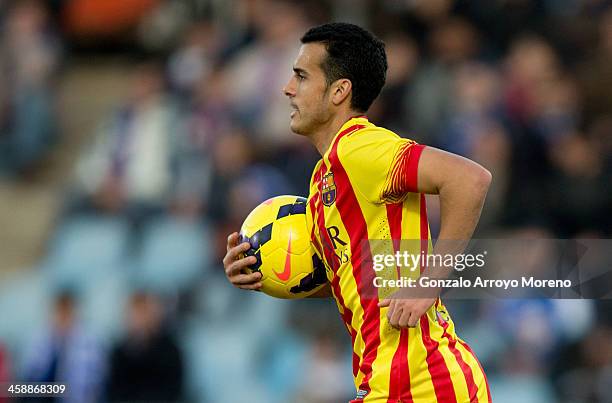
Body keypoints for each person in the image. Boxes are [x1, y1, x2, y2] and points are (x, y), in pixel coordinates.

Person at [223, 22, 492, 402]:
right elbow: (357, 284)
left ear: (339, 91)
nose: (287, 88)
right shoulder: (325, 178)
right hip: (393, 383)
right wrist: (260, 273)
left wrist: (429, 282)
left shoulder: (359, 149)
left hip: (424, 383)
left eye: (300, 76)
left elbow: (470, 179)